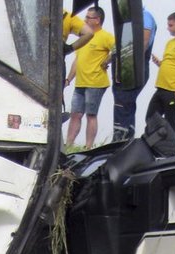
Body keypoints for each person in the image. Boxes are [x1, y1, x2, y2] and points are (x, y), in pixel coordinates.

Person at [65, 7, 115, 150]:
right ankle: (68, 145)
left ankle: (88, 147)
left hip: (95, 82)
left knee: (91, 115)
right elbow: (77, 61)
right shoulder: (85, 36)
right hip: (80, 82)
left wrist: (107, 61)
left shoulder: (105, 36)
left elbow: (118, 48)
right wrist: (68, 79)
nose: (85, 20)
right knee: (75, 114)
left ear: (97, 20)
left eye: (88, 17)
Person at [111, 8, 157, 142]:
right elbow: (120, 43)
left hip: (133, 65)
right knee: (125, 100)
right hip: (122, 63)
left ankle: (121, 136)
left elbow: (144, 40)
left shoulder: (145, 16)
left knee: (124, 99)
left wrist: (131, 62)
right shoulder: (126, 19)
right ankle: (126, 135)